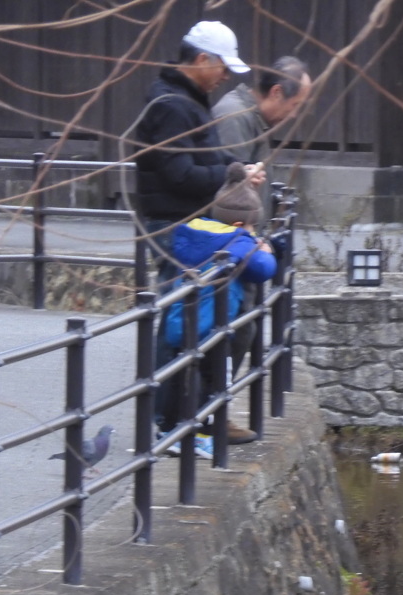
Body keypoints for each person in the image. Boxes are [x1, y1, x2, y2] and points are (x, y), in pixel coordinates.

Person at [132, 20, 264, 449]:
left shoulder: (186, 100)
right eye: (223, 66)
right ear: (202, 59)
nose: (226, 76)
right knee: (179, 321)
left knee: (189, 317)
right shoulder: (173, 105)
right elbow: (180, 173)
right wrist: (231, 176)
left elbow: (207, 156)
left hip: (183, 223)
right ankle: (168, 421)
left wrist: (238, 171)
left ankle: (187, 416)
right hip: (174, 224)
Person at [160, 162, 277, 449]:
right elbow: (262, 268)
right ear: (239, 223)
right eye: (252, 225)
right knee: (209, 377)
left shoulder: (197, 231)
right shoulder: (236, 241)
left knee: (184, 373)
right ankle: (197, 434)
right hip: (213, 322)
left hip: (185, 317)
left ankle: (172, 430)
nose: (253, 232)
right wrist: (265, 249)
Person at [212, 56, 311, 385]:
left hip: (245, 243)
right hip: (233, 246)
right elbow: (229, 193)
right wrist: (251, 236)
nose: (295, 114)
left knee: (245, 325)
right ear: (277, 92)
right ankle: (211, 412)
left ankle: (214, 411)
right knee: (236, 326)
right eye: (296, 103)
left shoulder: (252, 120)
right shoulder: (235, 118)